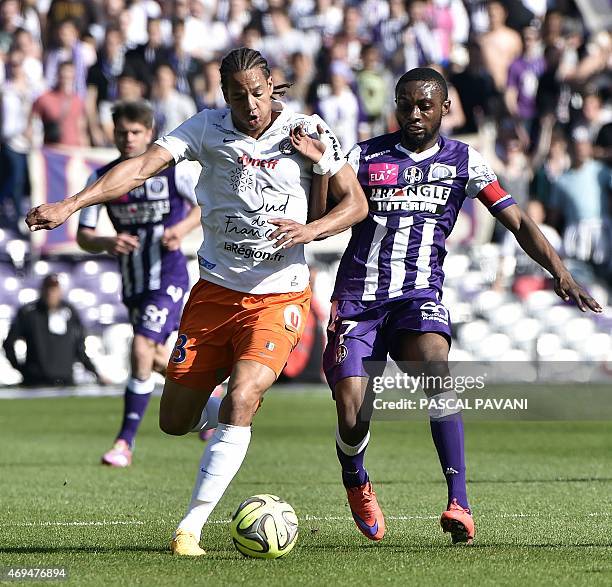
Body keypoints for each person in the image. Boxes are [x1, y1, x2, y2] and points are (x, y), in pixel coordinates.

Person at [25, 47, 368, 556]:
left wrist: (309, 229)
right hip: (213, 295)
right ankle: (222, 416)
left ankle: (191, 527)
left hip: (279, 295)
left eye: (256, 92)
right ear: (222, 95)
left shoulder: (309, 131)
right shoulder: (205, 128)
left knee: (244, 394)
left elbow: (355, 203)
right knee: (174, 422)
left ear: (271, 85)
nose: (248, 104)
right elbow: (139, 168)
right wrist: (70, 204)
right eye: (236, 95)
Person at [322, 67, 601, 545]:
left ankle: (459, 503)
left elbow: (518, 222)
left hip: (417, 298)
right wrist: (319, 166)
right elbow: (324, 210)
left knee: (437, 371)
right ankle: (357, 478)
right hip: (358, 300)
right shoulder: (364, 155)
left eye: (425, 106)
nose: (414, 114)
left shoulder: (464, 161)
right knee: (353, 413)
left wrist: (560, 272)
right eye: (405, 104)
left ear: (445, 109)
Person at [76, 100, 202, 468]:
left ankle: (124, 443)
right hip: (133, 281)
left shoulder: (170, 172)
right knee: (155, 356)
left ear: (149, 134)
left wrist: (180, 229)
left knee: (142, 345)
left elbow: (202, 206)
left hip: (168, 275)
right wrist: (106, 242)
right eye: (121, 132)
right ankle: (208, 405)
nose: (128, 139)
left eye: (135, 132)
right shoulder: (102, 178)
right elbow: (85, 235)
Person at [3, 274, 106, 386]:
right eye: (48, 289)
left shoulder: (69, 312)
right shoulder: (29, 313)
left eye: (54, 289)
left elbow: (79, 346)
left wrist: (95, 372)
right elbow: (9, 343)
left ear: (60, 291)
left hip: (65, 381)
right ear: (42, 290)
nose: (50, 293)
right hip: (36, 382)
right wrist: (22, 369)